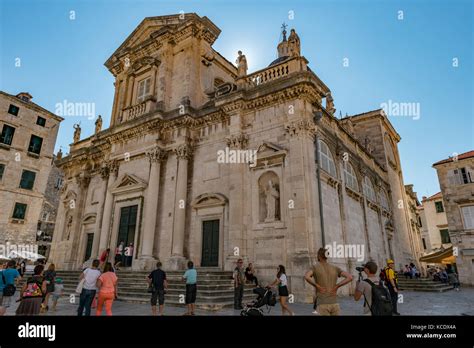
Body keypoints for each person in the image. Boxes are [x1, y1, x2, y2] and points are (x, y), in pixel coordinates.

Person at [304, 248, 353, 316]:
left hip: (322, 303)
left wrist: (317, 286)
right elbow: (350, 277)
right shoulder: (335, 268)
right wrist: (337, 286)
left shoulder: (315, 267)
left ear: (319, 256)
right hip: (334, 303)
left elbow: (306, 277)